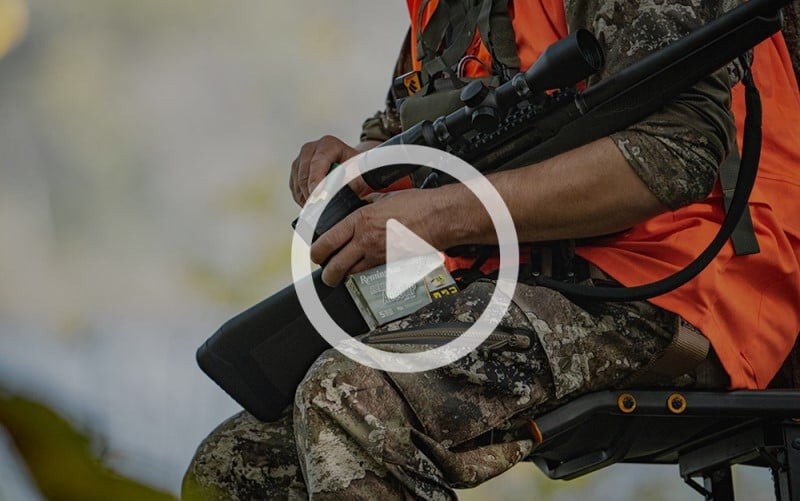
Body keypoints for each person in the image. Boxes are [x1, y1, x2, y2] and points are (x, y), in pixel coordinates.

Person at [182, 0, 800, 498]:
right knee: (233, 469)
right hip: (528, 278)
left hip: (682, 283)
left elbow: (679, 151)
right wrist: (365, 165)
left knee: (351, 398)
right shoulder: (436, 9)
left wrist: (440, 215)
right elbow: (433, 126)